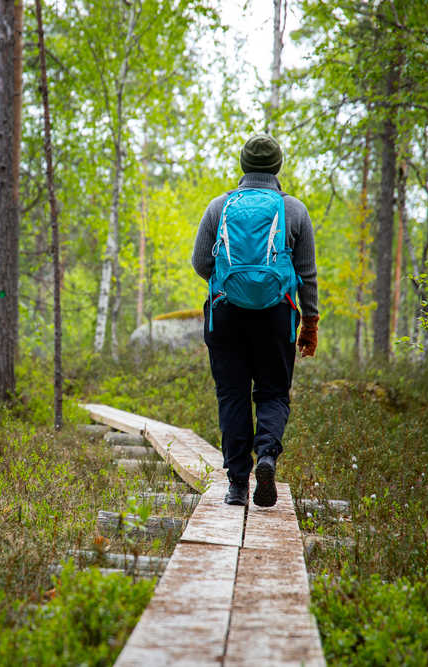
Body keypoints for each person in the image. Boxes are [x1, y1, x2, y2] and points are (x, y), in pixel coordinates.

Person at [191, 133, 318, 507]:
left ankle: (237, 485)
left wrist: (230, 282)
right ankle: (266, 456)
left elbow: (200, 262)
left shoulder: (219, 206)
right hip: (276, 314)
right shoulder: (294, 209)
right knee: (273, 392)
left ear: (243, 165)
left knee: (232, 395)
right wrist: (310, 323)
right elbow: (307, 272)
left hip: (226, 313)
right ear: (277, 166)